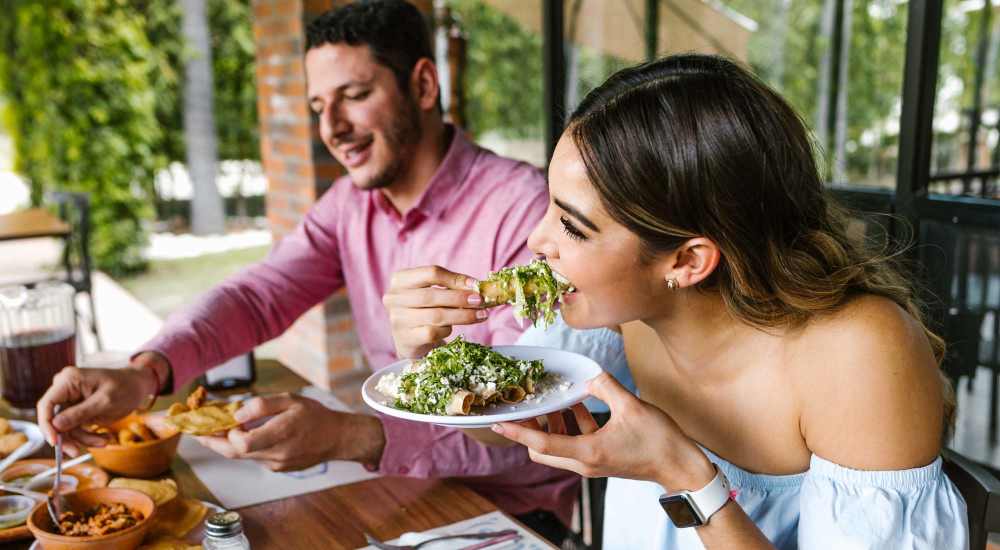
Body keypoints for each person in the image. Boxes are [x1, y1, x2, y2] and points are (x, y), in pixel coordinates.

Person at [35, 0, 580, 538]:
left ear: (423, 86)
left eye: (355, 95)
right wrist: (146, 371)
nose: (332, 128)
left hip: (511, 515)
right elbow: (260, 295)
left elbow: (532, 428)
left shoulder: (524, 211)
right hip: (395, 485)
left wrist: (355, 437)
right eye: (319, 105)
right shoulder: (349, 204)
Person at [384, 54, 969, 549]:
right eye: (550, 207)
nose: (537, 243)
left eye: (573, 228)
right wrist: (427, 359)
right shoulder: (618, 318)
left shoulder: (859, 354)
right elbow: (509, 425)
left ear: (688, 261)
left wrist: (682, 473)